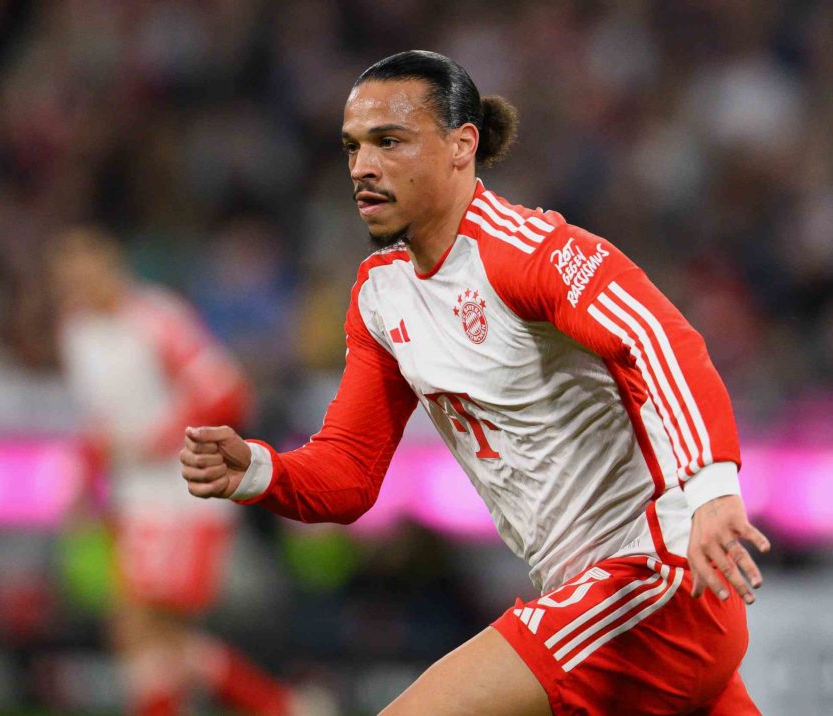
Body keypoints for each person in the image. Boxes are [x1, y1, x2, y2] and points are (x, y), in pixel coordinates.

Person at [180, 50, 769, 716]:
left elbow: (659, 340)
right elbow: (348, 471)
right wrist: (258, 470)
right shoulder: (381, 296)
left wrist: (713, 487)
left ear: (463, 146)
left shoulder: (528, 252)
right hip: (595, 597)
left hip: (658, 581)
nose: (362, 168)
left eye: (389, 142)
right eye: (352, 147)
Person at [51, 227, 301, 716]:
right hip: (132, 499)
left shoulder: (157, 320)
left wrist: (159, 440)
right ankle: (283, 706)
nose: (77, 281)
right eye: (66, 274)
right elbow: (99, 421)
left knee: (138, 625)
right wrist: (85, 482)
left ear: (111, 262)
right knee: (157, 639)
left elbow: (226, 392)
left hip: (182, 493)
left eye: (86, 267)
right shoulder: (76, 333)